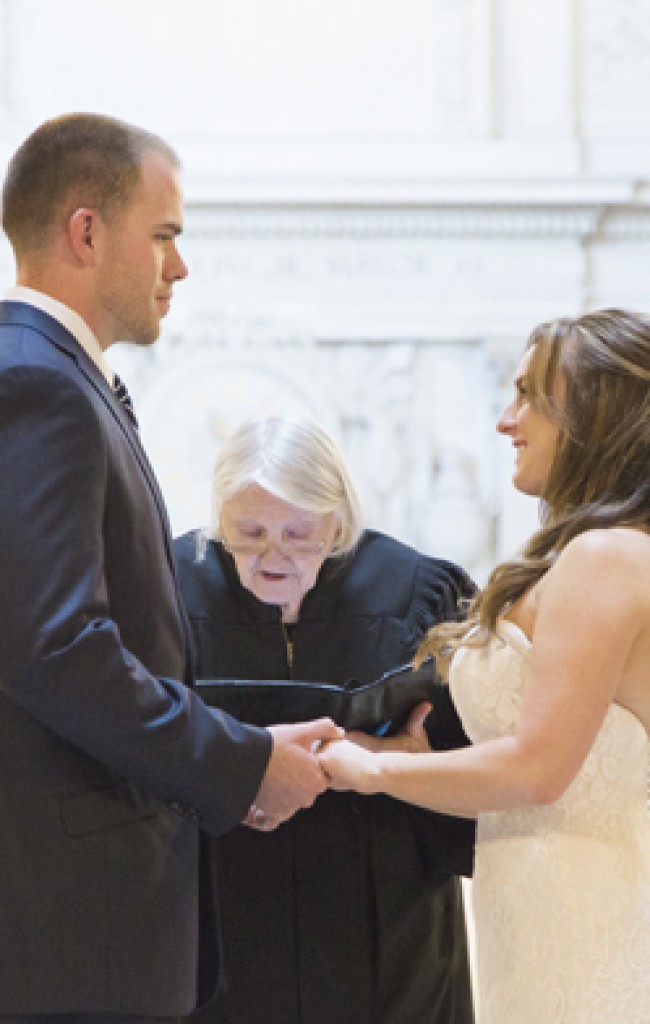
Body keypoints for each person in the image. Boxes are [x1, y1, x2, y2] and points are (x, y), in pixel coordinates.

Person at [0, 113, 342, 1023]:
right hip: (71, 925)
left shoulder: (57, 376)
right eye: (164, 237)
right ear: (85, 231)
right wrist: (238, 765)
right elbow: (56, 647)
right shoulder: (36, 383)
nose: (179, 267)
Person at [319, 308, 650, 1024]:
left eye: (531, 394)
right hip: (533, 922)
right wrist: (399, 757)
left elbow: (537, 771)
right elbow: (535, 781)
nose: (507, 419)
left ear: (598, 411)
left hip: (594, 929)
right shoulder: (593, 554)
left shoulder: (605, 559)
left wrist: (373, 771)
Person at [173, 413, 476, 1024]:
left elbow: (479, 759)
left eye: (298, 532)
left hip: (381, 903)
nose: (272, 555)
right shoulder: (171, 585)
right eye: (249, 531)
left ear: (338, 517)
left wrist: (400, 759)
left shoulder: (416, 591)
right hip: (224, 896)